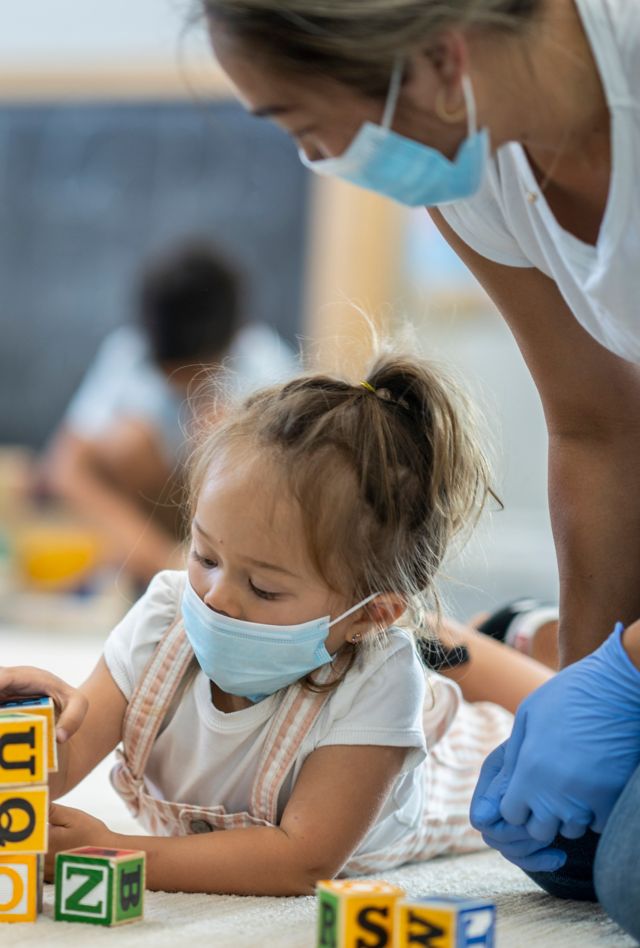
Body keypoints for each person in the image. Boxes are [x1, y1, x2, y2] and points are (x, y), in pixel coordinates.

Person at [191, 0, 640, 934]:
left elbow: (304, 851)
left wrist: (626, 673)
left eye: (303, 125)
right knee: (588, 859)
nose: (316, 160)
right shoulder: (469, 157)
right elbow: (600, 427)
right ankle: (541, 643)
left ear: (436, 59)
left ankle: (516, 641)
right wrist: (590, 686)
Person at [2, 353, 553, 894]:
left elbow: (299, 859)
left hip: (460, 749)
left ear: (367, 614)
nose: (216, 597)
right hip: (384, 635)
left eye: (263, 588)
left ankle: (507, 636)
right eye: (205, 556)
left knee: (557, 723)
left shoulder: (380, 678)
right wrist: (21, 735)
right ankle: (479, 636)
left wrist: (115, 850)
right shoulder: (165, 616)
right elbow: (49, 772)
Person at [43, 239, 295, 586]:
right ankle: (172, 567)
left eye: (194, 373)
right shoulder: (130, 354)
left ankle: (215, 567)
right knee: (130, 442)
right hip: (159, 536)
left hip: (230, 531)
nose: (180, 386)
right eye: (171, 374)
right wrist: (154, 554)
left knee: (228, 434)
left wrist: (224, 447)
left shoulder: (265, 366)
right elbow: (66, 466)